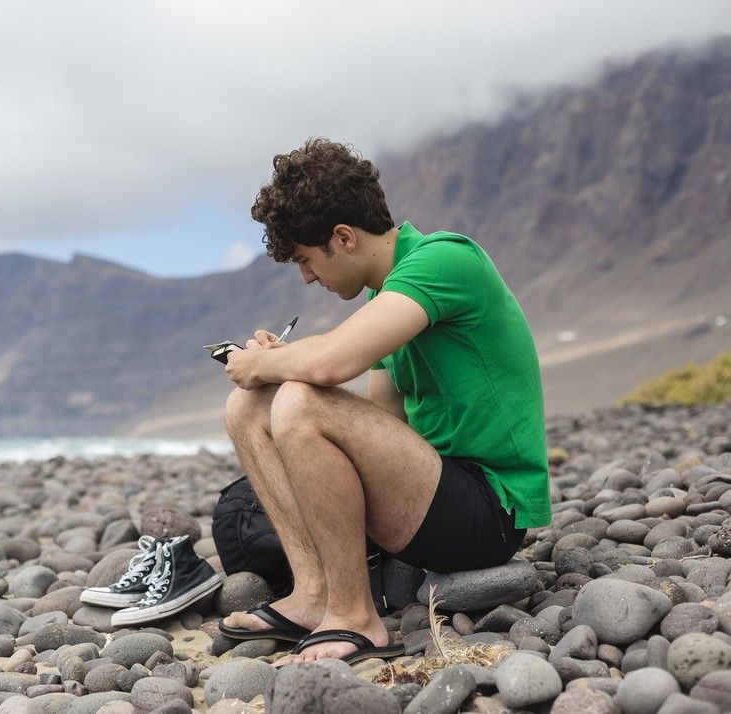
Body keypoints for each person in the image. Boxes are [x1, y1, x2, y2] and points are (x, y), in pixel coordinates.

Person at [218, 138, 551, 666]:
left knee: (299, 398)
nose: (307, 277)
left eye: (307, 260)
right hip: (432, 491)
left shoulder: (445, 259)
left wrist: (269, 364)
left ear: (344, 237)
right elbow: (382, 420)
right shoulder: (385, 297)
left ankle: (355, 618)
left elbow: (329, 366)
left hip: (490, 512)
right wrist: (282, 368)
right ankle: (313, 595)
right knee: (250, 407)